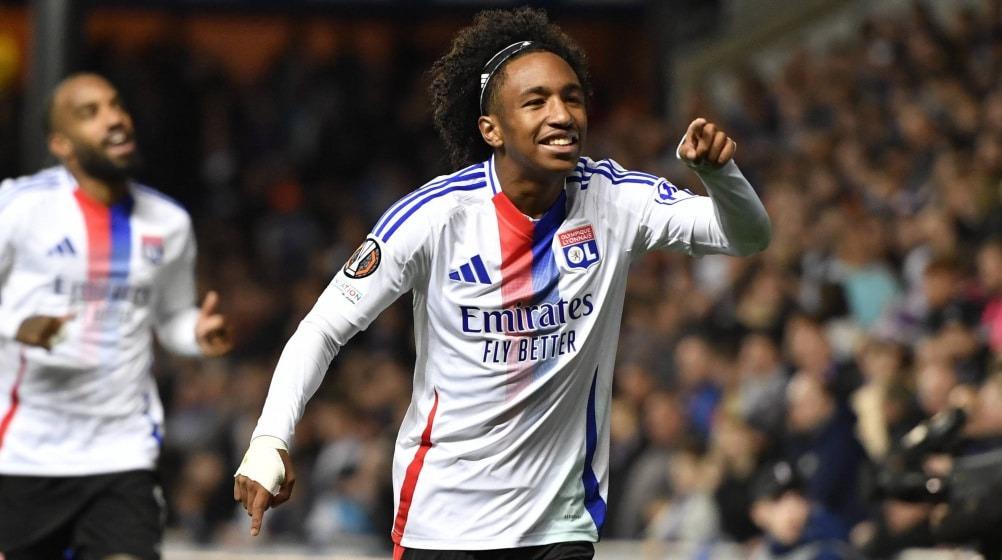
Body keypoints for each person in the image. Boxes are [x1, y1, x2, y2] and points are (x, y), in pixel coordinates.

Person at [234, 7, 770, 559]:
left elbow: (747, 236)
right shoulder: (436, 217)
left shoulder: (615, 199)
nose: (561, 115)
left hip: (557, 527)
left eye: (572, 98)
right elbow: (323, 328)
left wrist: (719, 175)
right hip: (442, 525)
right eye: (536, 102)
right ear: (491, 128)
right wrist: (271, 436)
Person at [0, 73, 232, 560]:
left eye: (116, 105)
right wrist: (16, 326)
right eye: (90, 113)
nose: (114, 119)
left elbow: (172, 315)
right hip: (24, 451)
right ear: (61, 144)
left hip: (121, 449)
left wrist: (195, 333)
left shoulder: (169, 222)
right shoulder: (18, 208)